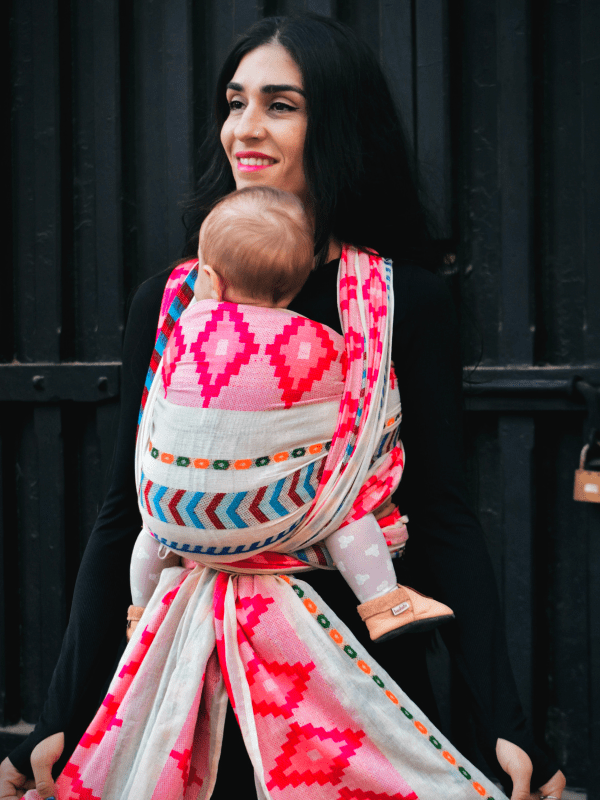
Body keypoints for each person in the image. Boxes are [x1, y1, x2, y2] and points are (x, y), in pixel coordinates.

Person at [0, 13, 566, 800]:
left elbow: (441, 515)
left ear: (336, 122)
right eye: (235, 103)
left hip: (355, 673)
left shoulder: (404, 304)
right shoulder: (168, 305)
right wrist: (61, 708)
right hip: (187, 678)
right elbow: (125, 513)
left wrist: (504, 718)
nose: (245, 129)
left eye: (280, 104)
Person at [129, 184, 454, 645]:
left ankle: (140, 612)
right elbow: (368, 410)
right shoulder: (320, 341)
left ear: (211, 278)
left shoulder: (186, 326)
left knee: (148, 528)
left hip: (177, 514)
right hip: (280, 509)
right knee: (345, 513)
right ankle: (385, 603)